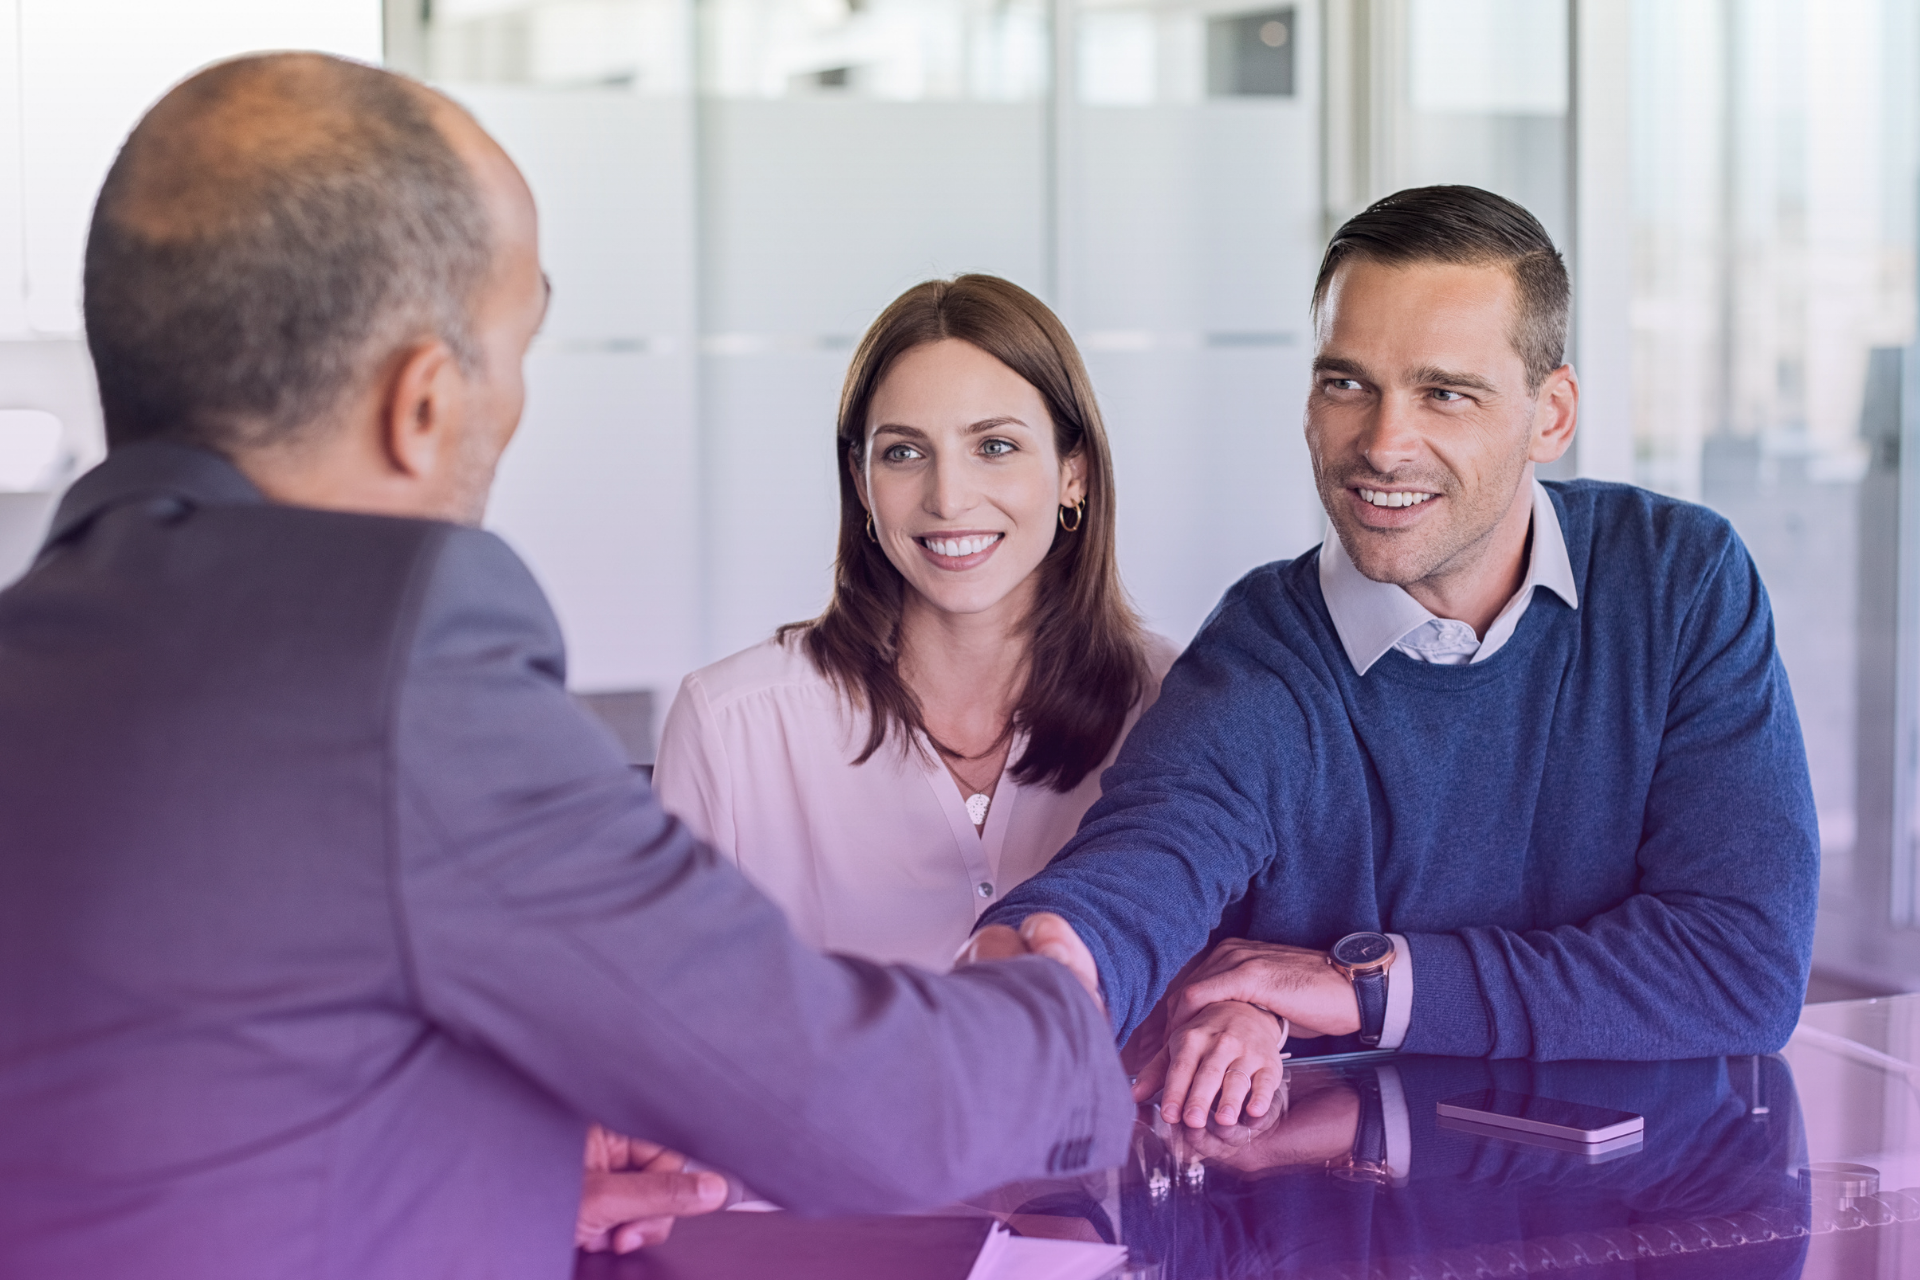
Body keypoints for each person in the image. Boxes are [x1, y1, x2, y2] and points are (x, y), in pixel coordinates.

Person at [0, 53, 1133, 1280]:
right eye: (515, 348)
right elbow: (857, 1098)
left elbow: (222, 1098)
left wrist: (515, 1171)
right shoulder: (394, 664)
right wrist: (1072, 1010)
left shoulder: (41, 649)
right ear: (424, 401)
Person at [967, 185, 1819, 1125]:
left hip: (1647, 1217)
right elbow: (1151, 857)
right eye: (1347, 384)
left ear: (1552, 413)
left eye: (1445, 393)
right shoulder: (1262, 656)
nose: (1382, 443)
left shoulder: (1678, 584)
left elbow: (1739, 968)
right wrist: (1057, 957)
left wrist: (1367, 986)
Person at [653, 275, 1179, 973]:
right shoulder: (730, 726)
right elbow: (674, 1030)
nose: (949, 497)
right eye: (903, 452)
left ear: (1073, 472)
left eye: (994, 446)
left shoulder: (1176, 705)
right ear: (863, 484)